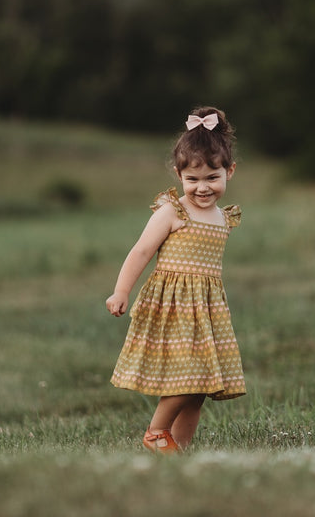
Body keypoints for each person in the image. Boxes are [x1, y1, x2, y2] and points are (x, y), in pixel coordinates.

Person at [106, 106, 246, 454]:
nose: (202, 188)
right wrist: (121, 290)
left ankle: (176, 449)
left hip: (206, 309)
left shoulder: (221, 217)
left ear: (229, 171)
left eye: (212, 177)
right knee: (191, 376)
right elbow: (141, 251)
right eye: (192, 179)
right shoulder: (173, 211)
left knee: (199, 388)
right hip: (175, 307)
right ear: (178, 174)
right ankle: (156, 433)